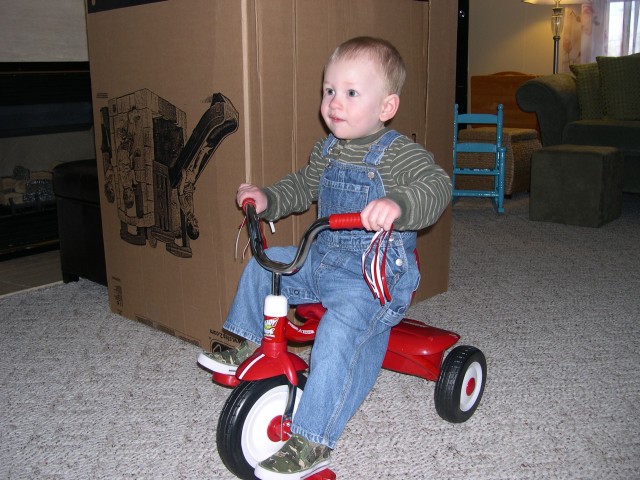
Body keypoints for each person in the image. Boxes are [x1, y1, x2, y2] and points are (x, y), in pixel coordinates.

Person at [198, 36, 452, 479]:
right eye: (328, 90)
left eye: (351, 93)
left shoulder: (399, 154)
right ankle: (244, 339)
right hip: (323, 259)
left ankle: (313, 439)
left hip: (373, 278)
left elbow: (437, 186)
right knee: (268, 261)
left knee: (337, 333)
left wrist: (400, 205)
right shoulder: (328, 150)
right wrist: (267, 197)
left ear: (386, 107)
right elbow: (302, 188)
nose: (334, 102)